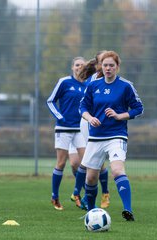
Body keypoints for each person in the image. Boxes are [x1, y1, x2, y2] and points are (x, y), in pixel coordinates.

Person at [79, 51, 143, 221]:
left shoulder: (125, 86)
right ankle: (92, 213)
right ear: (101, 66)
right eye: (105, 65)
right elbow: (83, 107)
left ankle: (127, 210)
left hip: (117, 135)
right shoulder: (93, 86)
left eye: (111, 66)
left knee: (116, 170)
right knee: (91, 177)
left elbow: (138, 108)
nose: (108, 68)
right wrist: (90, 118)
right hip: (96, 137)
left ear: (117, 67)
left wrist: (119, 116)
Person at [71, 52, 111, 210]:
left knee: (96, 162)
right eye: (103, 62)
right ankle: (84, 195)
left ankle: (98, 194)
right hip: (89, 122)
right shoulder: (95, 80)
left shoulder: (110, 80)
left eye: (109, 62)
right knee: (91, 160)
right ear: (98, 64)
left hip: (100, 122)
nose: (107, 64)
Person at [46, 56, 87, 210]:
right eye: (77, 65)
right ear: (72, 67)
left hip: (80, 130)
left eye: (82, 65)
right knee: (61, 163)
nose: (79, 67)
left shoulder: (88, 85)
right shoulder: (64, 82)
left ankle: (78, 194)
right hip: (63, 129)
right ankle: (55, 197)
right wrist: (60, 117)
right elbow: (50, 101)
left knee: (85, 163)